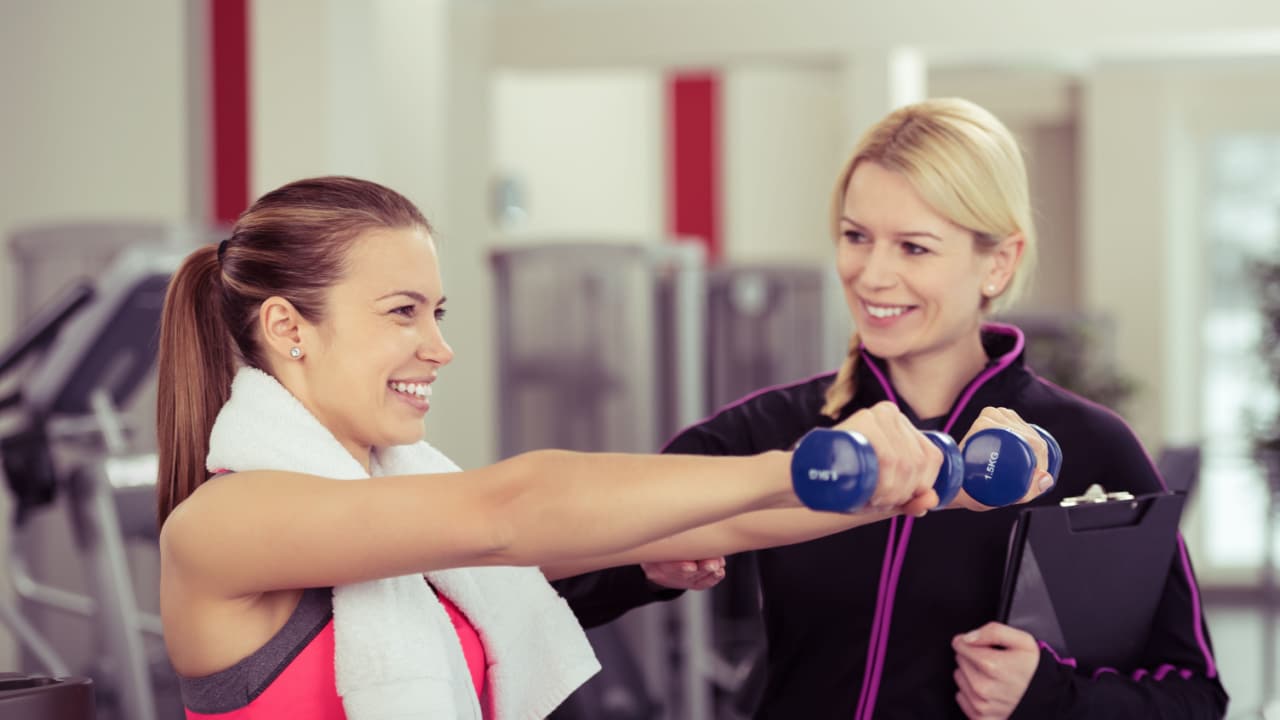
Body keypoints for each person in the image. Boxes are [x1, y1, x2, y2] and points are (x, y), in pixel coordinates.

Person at [155, 175, 1050, 720]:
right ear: (287, 327)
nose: (439, 346)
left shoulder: (403, 513)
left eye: (438, 312)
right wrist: (795, 461)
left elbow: (730, 528)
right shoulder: (228, 518)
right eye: (402, 312)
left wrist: (930, 483)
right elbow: (510, 514)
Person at [554, 98, 1228, 719]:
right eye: (856, 236)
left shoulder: (1089, 447)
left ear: (998, 263)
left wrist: (1047, 697)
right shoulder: (773, 431)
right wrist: (648, 566)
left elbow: (1196, 696)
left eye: (914, 247)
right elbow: (556, 577)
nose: (872, 274)